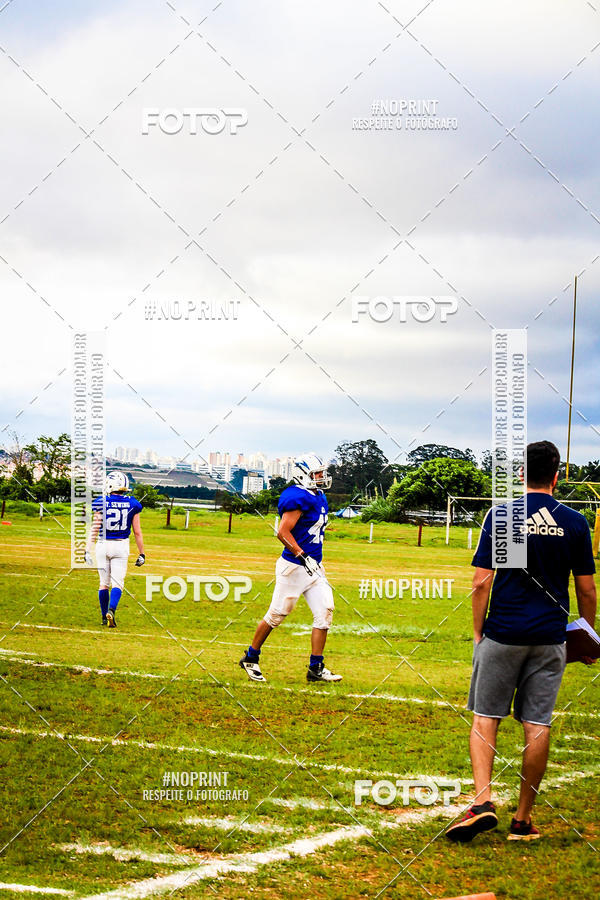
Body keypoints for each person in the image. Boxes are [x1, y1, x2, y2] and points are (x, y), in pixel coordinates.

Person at [446, 440, 597, 843]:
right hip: (549, 637)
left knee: (485, 718)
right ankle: (523, 819)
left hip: (504, 632)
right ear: (557, 474)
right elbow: (587, 590)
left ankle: (482, 802)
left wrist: (479, 631)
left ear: (519, 473)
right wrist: (586, 634)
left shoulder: (504, 516)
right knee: (537, 724)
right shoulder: (575, 523)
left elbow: (482, 581)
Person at [239, 453, 342, 684]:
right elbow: (282, 533)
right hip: (294, 567)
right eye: (317, 473)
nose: (321, 477)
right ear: (303, 475)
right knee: (276, 615)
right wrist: (301, 554)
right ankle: (250, 657)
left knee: (325, 612)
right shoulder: (297, 498)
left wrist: (311, 559)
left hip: (314, 567)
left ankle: (316, 668)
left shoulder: (319, 496)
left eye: (322, 473)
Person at [86, 471, 145, 628]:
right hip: (121, 545)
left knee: (103, 584)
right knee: (117, 583)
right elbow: (137, 532)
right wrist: (142, 553)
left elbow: (95, 527)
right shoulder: (132, 503)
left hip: (102, 545)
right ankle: (111, 610)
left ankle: (104, 617)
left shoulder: (101, 502)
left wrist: (87, 549)